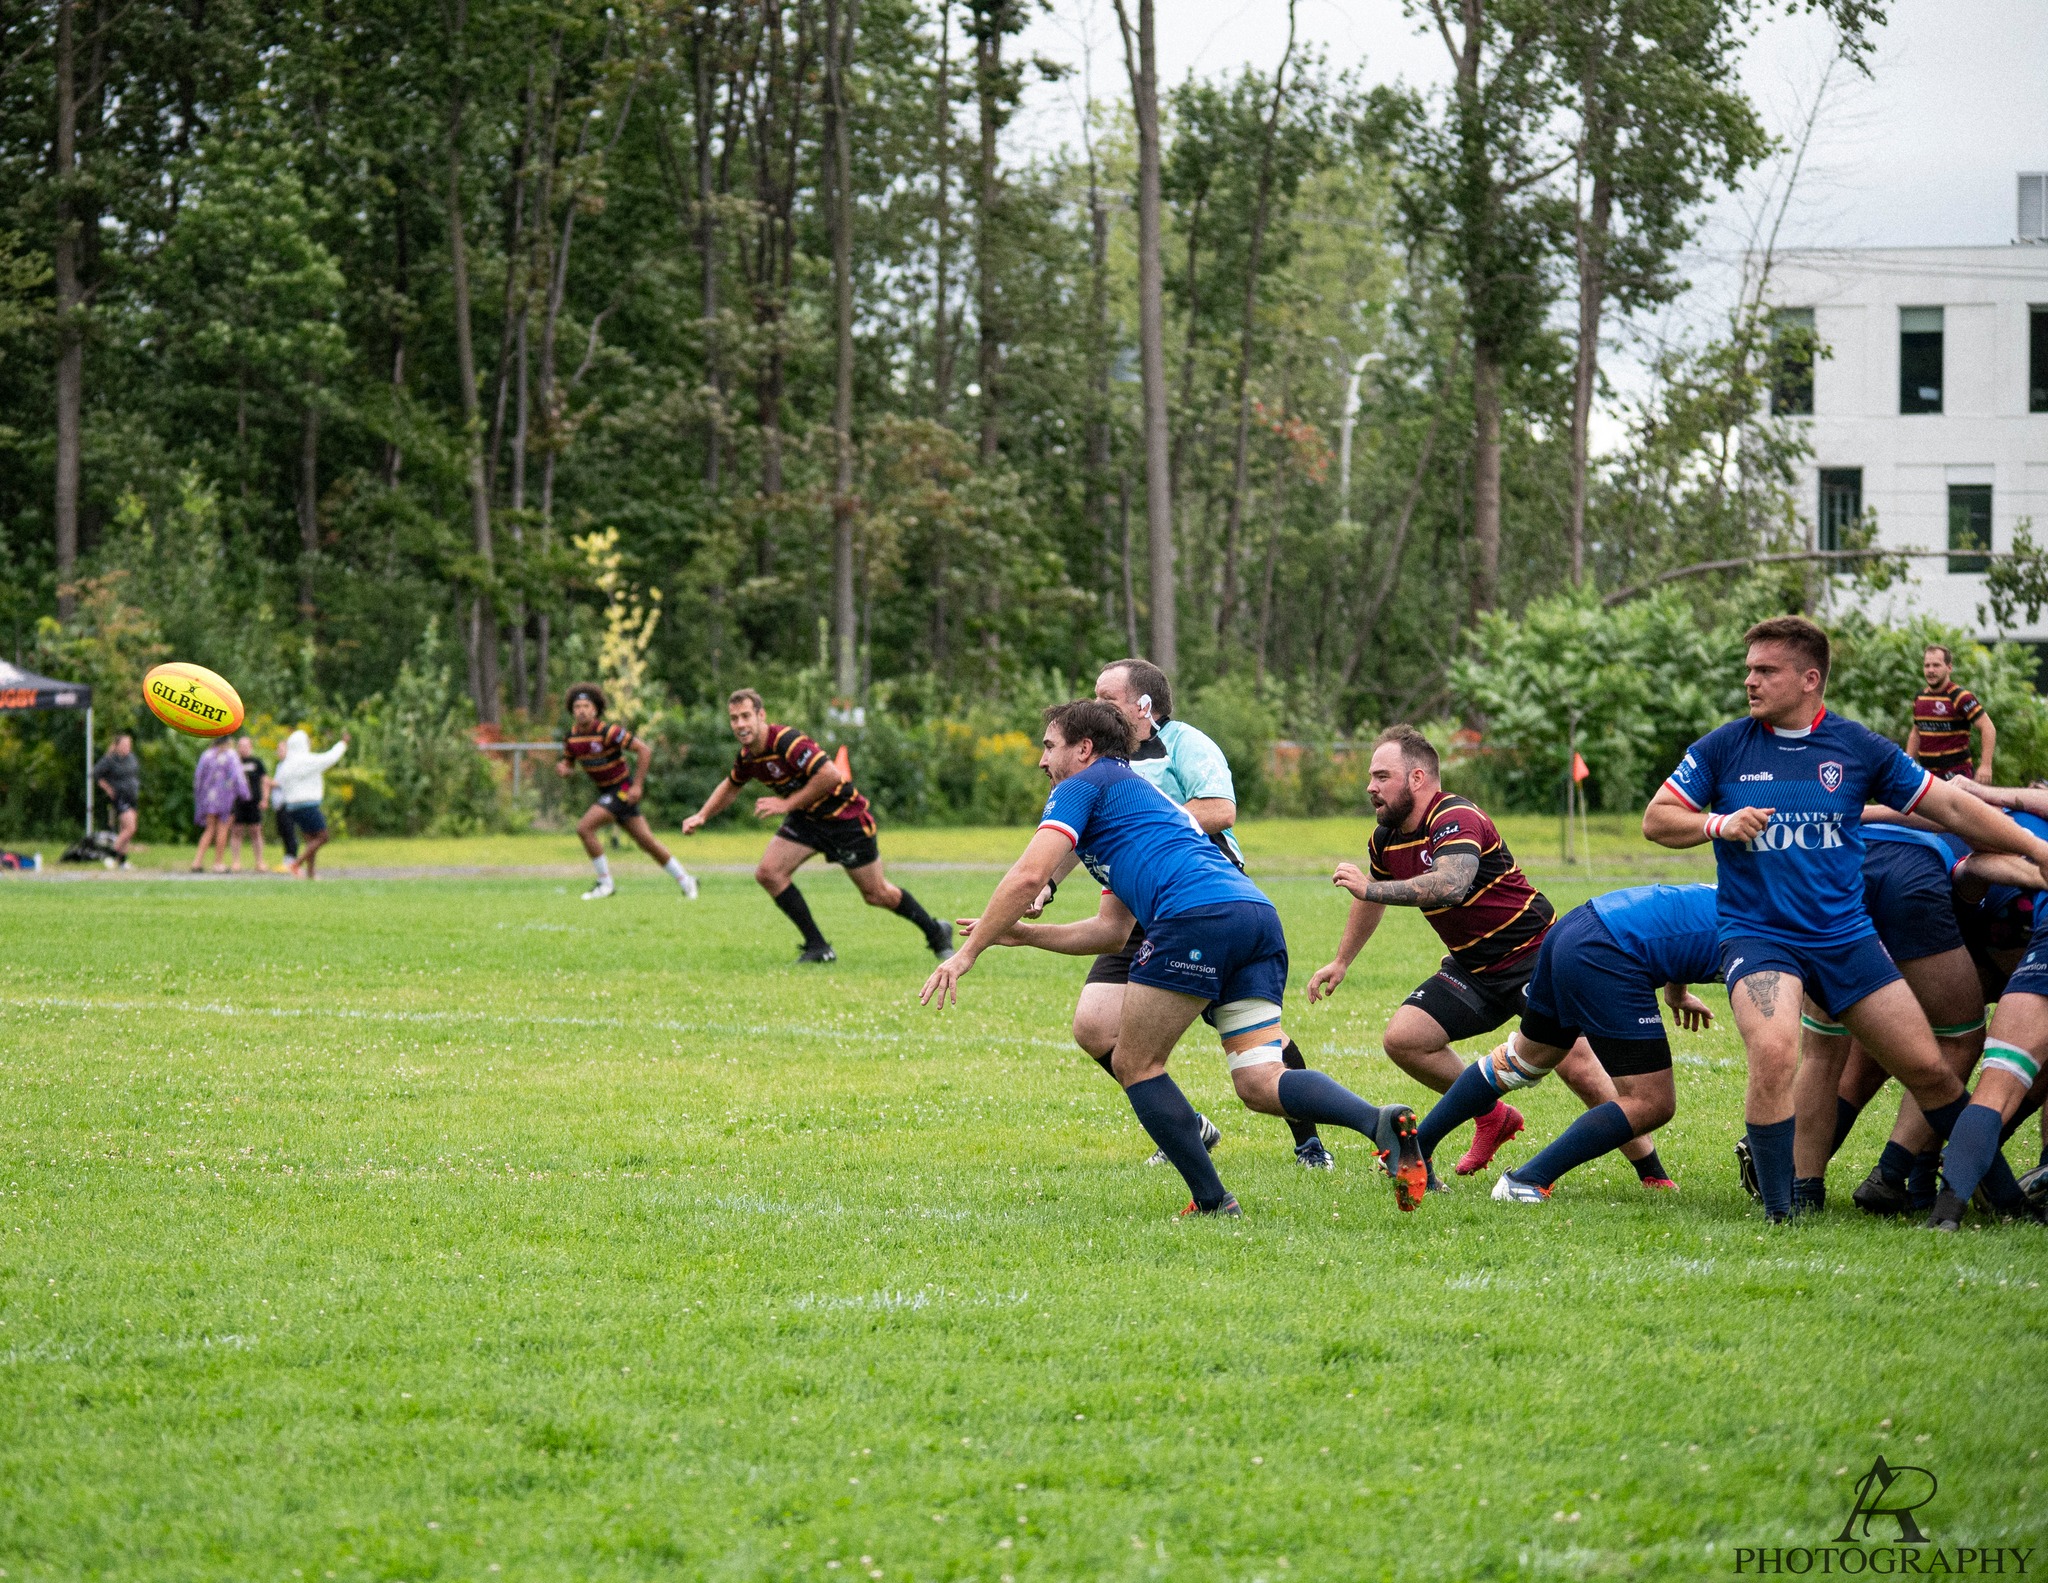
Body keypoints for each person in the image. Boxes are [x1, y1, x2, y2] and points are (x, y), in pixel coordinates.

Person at [922, 699, 1427, 1218]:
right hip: (1253, 916)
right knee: (1258, 1081)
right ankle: (1378, 1123)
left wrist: (967, 952)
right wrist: (1026, 936)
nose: (1042, 761)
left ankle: (1213, 1201)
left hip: (1196, 919)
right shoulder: (1139, 798)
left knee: (1135, 1063)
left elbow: (1029, 876)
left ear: (1084, 749)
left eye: (1049, 746)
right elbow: (1112, 932)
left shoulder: (1081, 787)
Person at [1642, 614, 2048, 1222]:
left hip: (1847, 938)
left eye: (1765, 670)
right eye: (1748, 669)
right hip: (1761, 938)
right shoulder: (1723, 747)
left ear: (1810, 679)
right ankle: (1785, 1210)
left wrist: (2037, 850)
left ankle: (2005, 1202)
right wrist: (1716, 824)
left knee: (1930, 1072)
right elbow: (1657, 818)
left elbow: (1950, 807)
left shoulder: (1856, 748)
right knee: (1777, 1055)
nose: (1750, 681)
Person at [1051, 658, 1330, 1170]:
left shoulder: (1184, 743)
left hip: (1195, 901)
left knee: (1254, 1043)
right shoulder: (1107, 764)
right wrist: (1048, 881)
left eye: (1106, 697)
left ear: (1144, 705)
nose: (1095, 706)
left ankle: (1308, 1141)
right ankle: (1186, 1126)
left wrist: (1152, 824)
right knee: (1094, 1026)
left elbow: (1220, 811)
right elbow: (1082, 829)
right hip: (1137, 904)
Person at [1306, 726, 1561, 1177]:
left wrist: (1371, 887)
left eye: (1382, 776)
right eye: (1371, 777)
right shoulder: (1385, 839)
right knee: (1405, 1039)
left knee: (1575, 1061)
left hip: (1533, 953)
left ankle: (1649, 1169)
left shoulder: (1455, 817)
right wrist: (1341, 960)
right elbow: (1373, 897)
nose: (1371, 787)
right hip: (1474, 967)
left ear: (1417, 778)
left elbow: (1450, 885)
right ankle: (1492, 1115)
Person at [1409, 884, 1719, 1204]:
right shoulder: (1766, 931)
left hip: (1575, 926)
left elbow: (1679, 925)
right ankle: (1527, 1180)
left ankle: (1416, 1149)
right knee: (1651, 1102)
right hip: (1604, 951)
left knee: (1523, 1060)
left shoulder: (1753, 900)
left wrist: (1677, 993)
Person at [682, 689, 951, 963]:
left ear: (761, 716)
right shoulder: (749, 756)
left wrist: (787, 804)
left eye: (746, 716)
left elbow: (831, 775)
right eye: (734, 718)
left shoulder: (787, 742)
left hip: (844, 820)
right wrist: (703, 815)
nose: (740, 724)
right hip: (807, 820)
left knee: (876, 894)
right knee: (769, 873)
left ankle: (936, 932)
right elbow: (731, 785)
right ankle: (818, 947)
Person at [553, 684, 699, 902]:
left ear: (595, 710)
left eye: (586, 706)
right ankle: (686, 880)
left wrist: (637, 785)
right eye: (577, 706)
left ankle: (605, 884)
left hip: (621, 789)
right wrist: (565, 769)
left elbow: (644, 750)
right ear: (572, 711)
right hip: (607, 792)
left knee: (584, 828)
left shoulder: (608, 731)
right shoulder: (571, 738)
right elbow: (569, 763)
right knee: (646, 842)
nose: (581, 710)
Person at [1906, 643, 1993, 783]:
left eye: (1936, 665)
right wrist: (1907, 765)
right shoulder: (1920, 698)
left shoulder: (1960, 697)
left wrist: (1986, 766)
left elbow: (1987, 727)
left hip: (1957, 775)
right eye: (1927, 665)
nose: (1931, 670)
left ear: (1949, 668)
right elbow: (1916, 732)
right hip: (1927, 775)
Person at [272, 728, 349, 880]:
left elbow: (281, 782)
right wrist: (342, 743)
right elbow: (330, 758)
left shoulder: (287, 764)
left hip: (292, 807)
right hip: (307, 804)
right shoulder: (307, 761)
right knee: (323, 837)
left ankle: (311, 873)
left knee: (311, 840)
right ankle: (296, 864)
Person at [190, 736, 249, 873]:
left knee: (209, 829)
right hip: (225, 798)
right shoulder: (231, 755)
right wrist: (245, 794)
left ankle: (197, 862)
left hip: (209, 798)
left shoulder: (207, 755)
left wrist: (200, 797)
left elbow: (198, 777)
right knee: (222, 829)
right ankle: (218, 863)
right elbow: (238, 776)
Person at [92, 731, 140, 869]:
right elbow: (96, 774)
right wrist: (108, 788)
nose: (127, 747)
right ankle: (110, 855)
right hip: (120, 797)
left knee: (125, 829)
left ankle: (122, 861)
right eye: (124, 744)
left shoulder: (131, 758)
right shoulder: (110, 760)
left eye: (129, 744)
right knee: (131, 828)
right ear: (117, 745)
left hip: (132, 797)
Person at [226, 735, 269, 874]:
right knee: (236, 830)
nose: (243, 749)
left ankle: (259, 862)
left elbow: (265, 781)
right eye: (240, 746)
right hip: (238, 802)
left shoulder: (257, 762)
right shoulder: (234, 762)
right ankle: (236, 862)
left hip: (254, 802)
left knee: (255, 831)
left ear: (250, 747)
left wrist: (265, 799)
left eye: (246, 746)